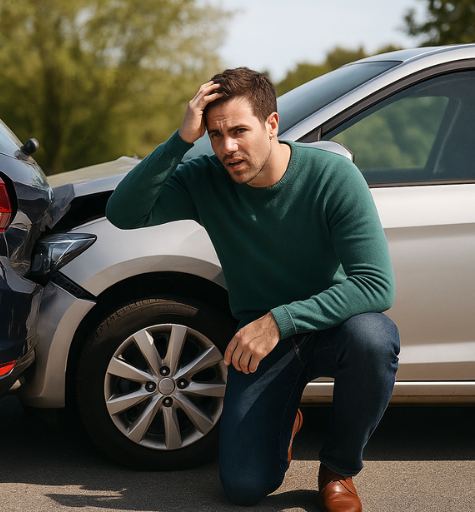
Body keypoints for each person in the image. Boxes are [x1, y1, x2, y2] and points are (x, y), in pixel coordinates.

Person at [105, 67, 400, 512]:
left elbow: (376, 286)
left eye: (239, 131)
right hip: (262, 347)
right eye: (215, 135)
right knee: (244, 488)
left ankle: (338, 468)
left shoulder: (331, 177)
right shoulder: (206, 178)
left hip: (331, 327)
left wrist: (280, 320)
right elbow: (123, 213)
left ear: (272, 124)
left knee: (374, 339)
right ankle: (285, 421)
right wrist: (180, 140)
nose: (228, 148)